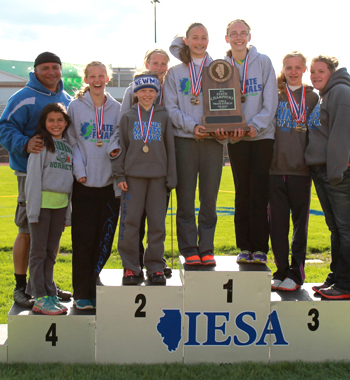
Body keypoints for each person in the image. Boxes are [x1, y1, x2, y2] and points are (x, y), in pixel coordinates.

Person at [0, 52, 73, 308]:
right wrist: (25, 143)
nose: (51, 72)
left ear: (61, 69)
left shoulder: (66, 99)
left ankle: (43, 283)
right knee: (28, 231)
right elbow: (4, 128)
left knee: (53, 234)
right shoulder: (23, 97)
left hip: (58, 179)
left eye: (55, 67)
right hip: (30, 175)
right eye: (45, 68)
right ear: (36, 70)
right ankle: (21, 286)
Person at [164, 22, 229, 266]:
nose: (199, 42)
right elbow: (170, 108)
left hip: (212, 142)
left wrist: (221, 129)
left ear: (208, 41)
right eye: (195, 37)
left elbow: (228, 102)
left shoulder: (220, 69)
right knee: (186, 199)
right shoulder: (175, 72)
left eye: (203, 37)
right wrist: (193, 127)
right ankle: (189, 248)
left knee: (210, 199)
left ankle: (207, 247)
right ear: (187, 41)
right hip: (185, 141)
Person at [305, 55, 350, 300]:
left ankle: (348, 285)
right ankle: (338, 277)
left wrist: (334, 172)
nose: (315, 75)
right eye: (312, 72)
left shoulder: (341, 92)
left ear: (332, 72)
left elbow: (343, 134)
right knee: (337, 229)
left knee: (347, 228)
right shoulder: (326, 96)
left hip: (343, 170)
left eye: (320, 71)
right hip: (329, 170)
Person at [113, 72, 177, 285]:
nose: (147, 94)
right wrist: (119, 174)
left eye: (151, 90)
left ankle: (155, 267)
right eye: (143, 91)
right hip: (132, 179)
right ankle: (131, 267)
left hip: (158, 179)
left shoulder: (164, 116)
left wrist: (171, 177)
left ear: (157, 93)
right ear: (136, 93)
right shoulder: (128, 116)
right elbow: (120, 147)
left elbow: (170, 148)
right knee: (130, 224)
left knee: (157, 225)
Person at [66, 61, 121, 310]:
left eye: (101, 75)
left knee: (104, 239)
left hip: (109, 185)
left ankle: (94, 282)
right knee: (83, 239)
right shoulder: (75, 107)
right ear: (86, 79)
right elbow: (72, 142)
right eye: (92, 76)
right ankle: (81, 291)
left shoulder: (117, 108)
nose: (97, 80)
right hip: (84, 183)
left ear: (107, 78)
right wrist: (79, 171)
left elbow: (119, 140)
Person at [224, 19, 278, 265]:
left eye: (242, 33)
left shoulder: (264, 62)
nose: (238, 37)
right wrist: (228, 129)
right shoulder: (221, 66)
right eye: (233, 33)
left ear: (249, 36)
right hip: (236, 138)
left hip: (261, 136)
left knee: (259, 192)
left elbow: (271, 101)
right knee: (242, 192)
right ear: (227, 38)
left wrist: (255, 126)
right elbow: (218, 102)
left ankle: (260, 247)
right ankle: (244, 246)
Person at [269, 52, 319, 291]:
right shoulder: (275, 96)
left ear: (304, 69)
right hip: (275, 170)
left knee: (300, 226)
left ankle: (296, 274)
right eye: (289, 67)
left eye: (298, 67)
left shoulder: (312, 98)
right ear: (283, 69)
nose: (293, 71)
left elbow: (318, 132)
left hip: (301, 171)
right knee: (277, 225)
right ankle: (279, 271)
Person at [24, 103, 73, 315]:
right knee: (38, 252)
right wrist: (33, 210)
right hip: (42, 206)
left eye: (60, 120)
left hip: (59, 207)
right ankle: (39, 297)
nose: (56, 124)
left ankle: (49, 291)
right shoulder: (40, 145)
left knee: (51, 253)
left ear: (66, 123)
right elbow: (33, 178)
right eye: (51, 120)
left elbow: (68, 182)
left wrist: (67, 213)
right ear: (44, 122)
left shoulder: (68, 145)